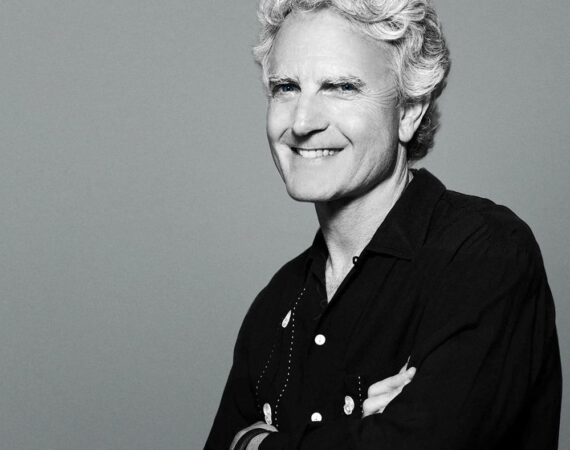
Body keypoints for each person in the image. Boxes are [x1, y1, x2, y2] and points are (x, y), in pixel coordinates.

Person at [204, 0, 562, 448]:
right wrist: (369, 434)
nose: (302, 121)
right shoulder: (274, 305)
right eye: (286, 87)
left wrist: (253, 444)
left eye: (340, 87)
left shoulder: (485, 254)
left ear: (409, 111)